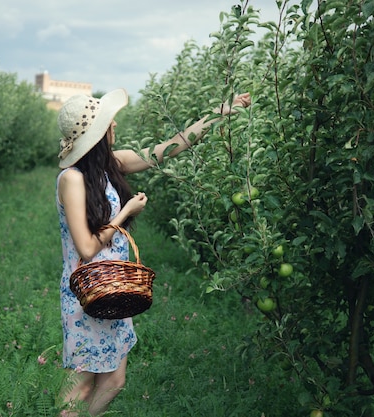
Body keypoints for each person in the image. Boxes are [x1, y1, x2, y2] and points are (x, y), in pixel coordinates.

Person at [55, 88, 251, 416]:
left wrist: (221, 112)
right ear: (96, 134)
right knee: (82, 385)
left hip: (115, 286)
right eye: (107, 121)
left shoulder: (112, 164)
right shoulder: (71, 179)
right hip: (87, 292)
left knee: (115, 380)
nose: (114, 123)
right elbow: (86, 247)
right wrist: (125, 212)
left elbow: (168, 149)